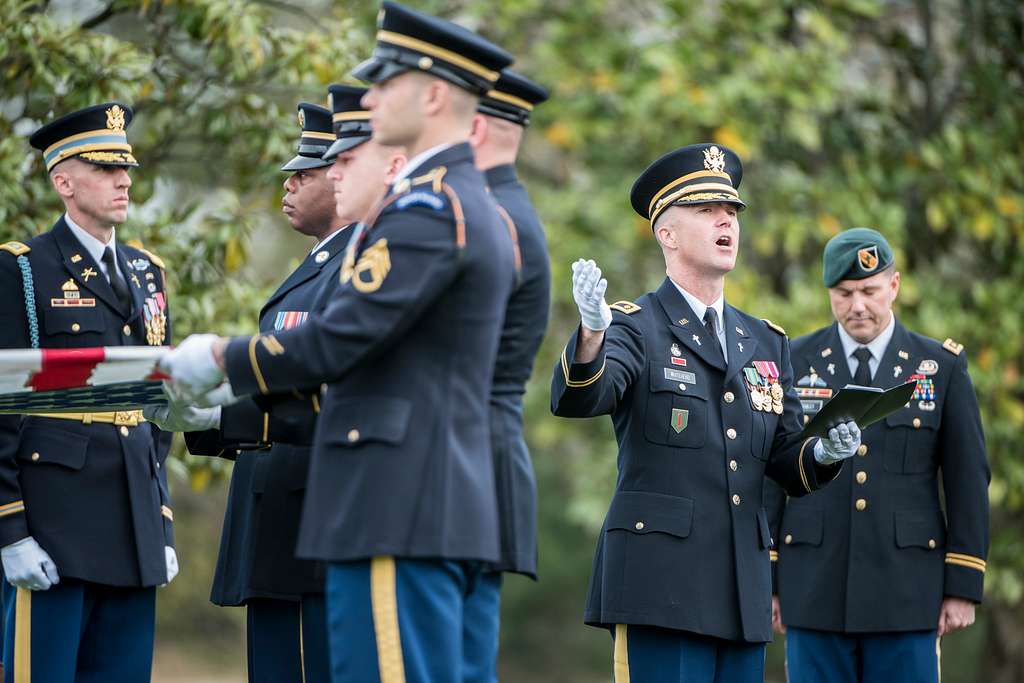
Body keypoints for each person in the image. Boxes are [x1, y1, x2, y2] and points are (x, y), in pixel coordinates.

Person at [158, 2, 517, 680]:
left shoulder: (430, 210)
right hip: (416, 500)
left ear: (434, 94)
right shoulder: (454, 203)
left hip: (397, 504)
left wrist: (218, 358)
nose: (372, 97)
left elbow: (338, 340)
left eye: (387, 82)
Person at [550, 143, 863, 682]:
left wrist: (824, 451)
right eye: (705, 210)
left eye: (732, 212)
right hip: (659, 587)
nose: (726, 220)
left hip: (740, 592)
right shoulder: (635, 324)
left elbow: (787, 461)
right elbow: (583, 396)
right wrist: (592, 333)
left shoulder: (764, 341)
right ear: (666, 234)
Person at [146, 95, 385, 682]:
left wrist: (219, 415)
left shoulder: (361, 266)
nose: (289, 186)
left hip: (316, 517)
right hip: (277, 516)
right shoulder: (316, 265)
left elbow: (325, 386)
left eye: (304, 174)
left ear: (341, 176)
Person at [764, 227, 990, 683]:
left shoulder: (939, 367)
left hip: (907, 592)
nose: (858, 305)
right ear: (829, 293)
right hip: (811, 588)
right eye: (844, 293)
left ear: (895, 285)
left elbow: (968, 481)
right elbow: (772, 474)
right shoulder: (792, 360)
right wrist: (767, 580)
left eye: (869, 290)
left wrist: (963, 584)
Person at [0, 102, 177, 681]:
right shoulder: (22, 270)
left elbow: (157, 410)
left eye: (125, 167)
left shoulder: (148, 272)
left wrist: (162, 521)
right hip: (53, 525)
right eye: (104, 168)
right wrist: (11, 529)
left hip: (132, 527)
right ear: (64, 181)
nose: (123, 180)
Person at [462, 69, 551, 681]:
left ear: (472, 126)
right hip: (481, 454)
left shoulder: (487, 218)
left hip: (470, 455)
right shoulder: (504, 210)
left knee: (458, 663)